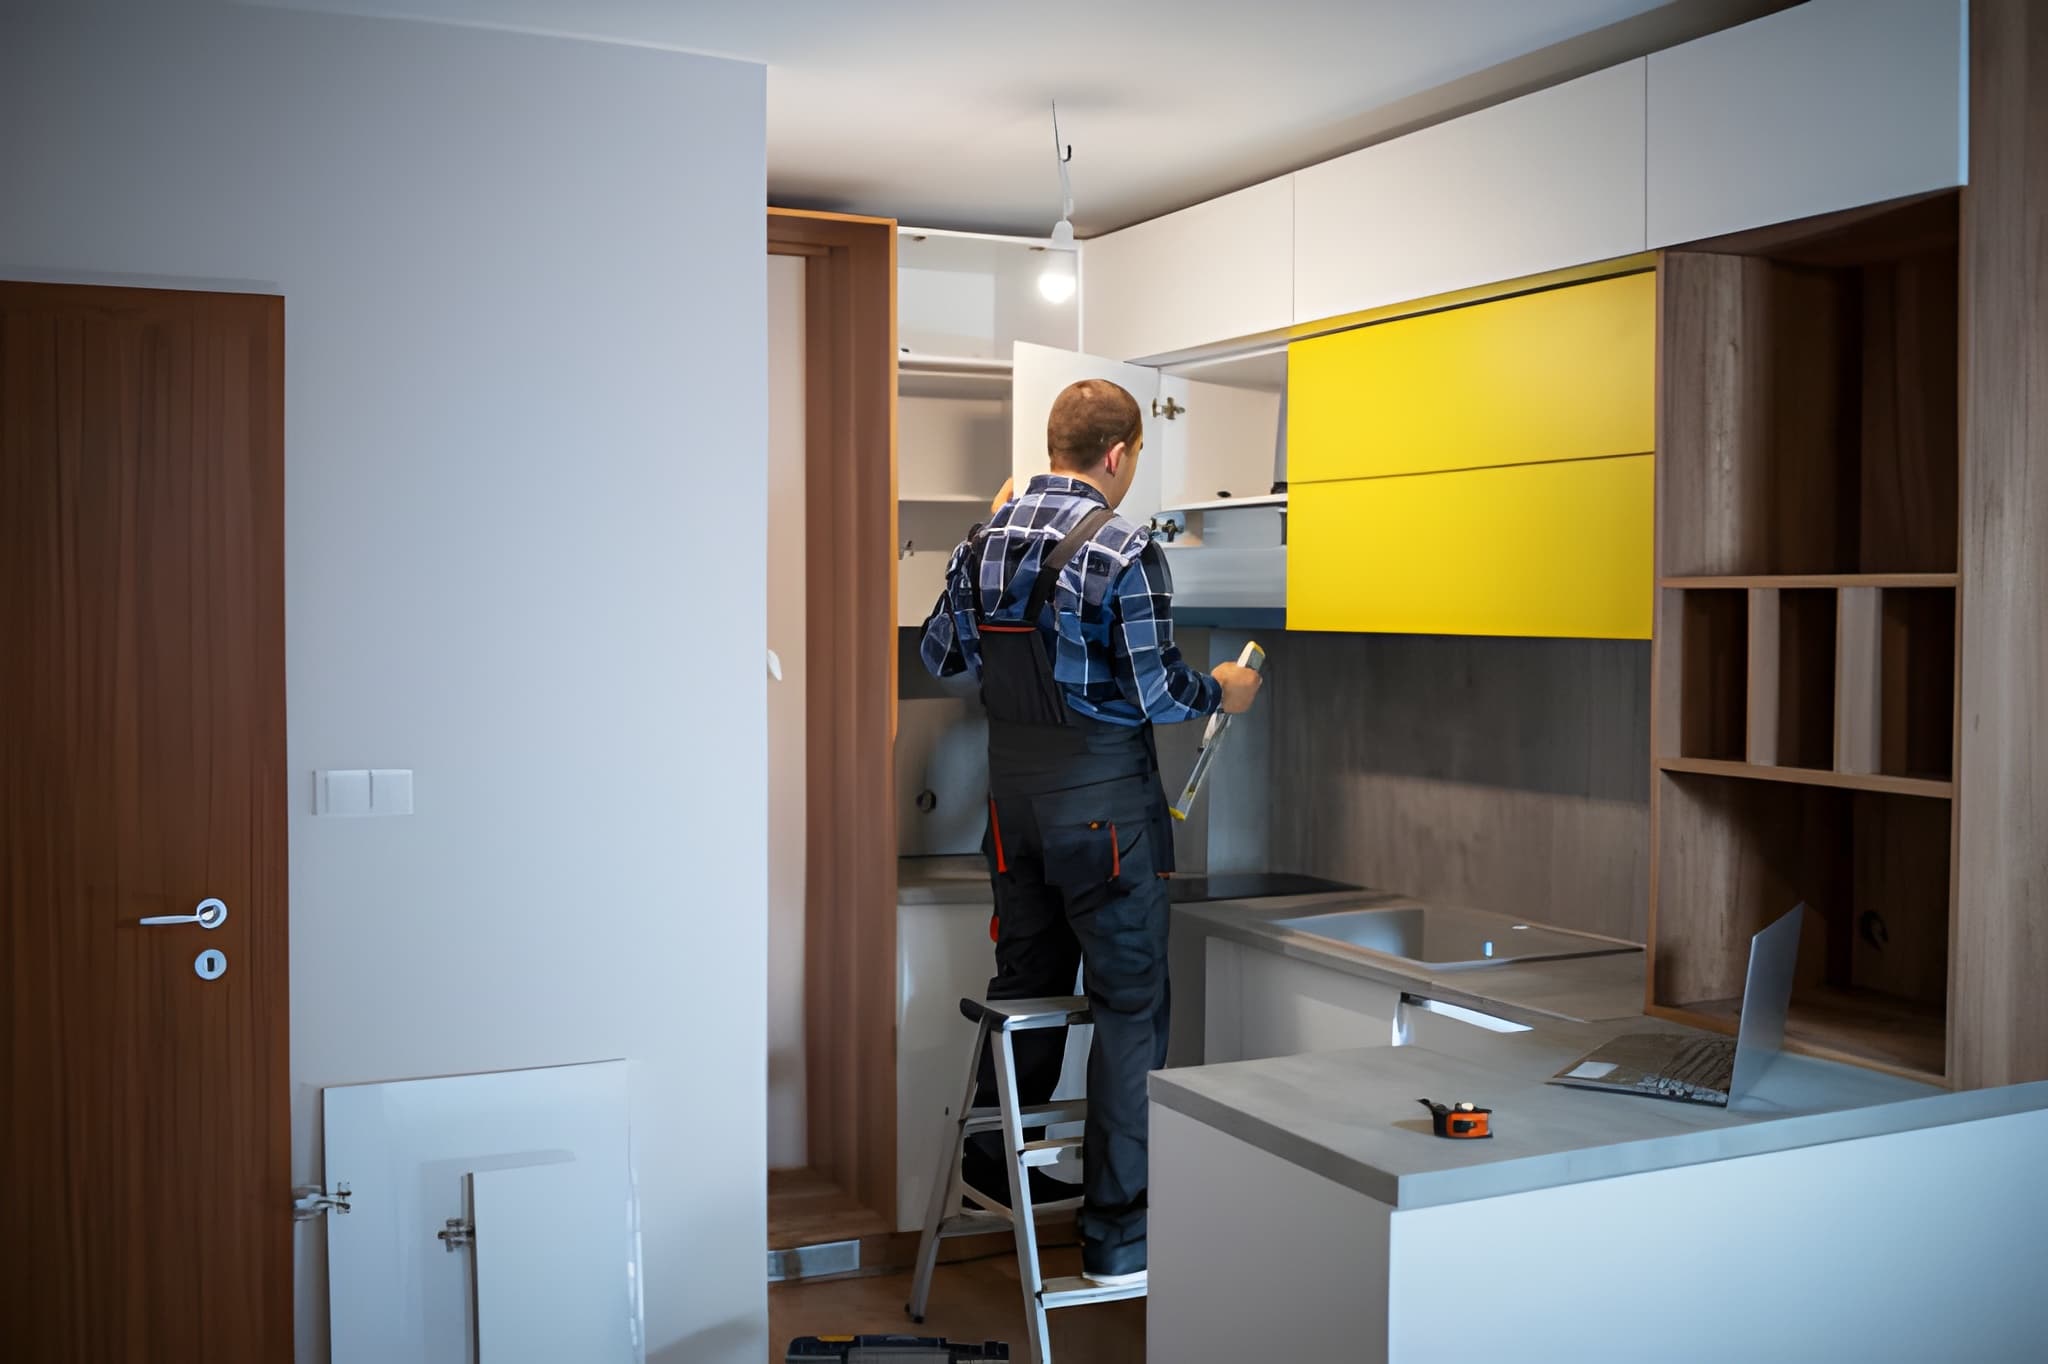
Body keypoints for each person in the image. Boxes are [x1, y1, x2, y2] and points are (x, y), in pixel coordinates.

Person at [919, 378, 1262, 1287]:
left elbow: (941, 655)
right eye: (1137, 455)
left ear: (1055, 446)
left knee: (1025, 986)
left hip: (1014, 816)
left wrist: (981, 545)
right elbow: (1156, 692)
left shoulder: (984, 540)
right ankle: (1118, 1237)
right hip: (1104, 817)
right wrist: (1221, 691)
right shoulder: (1124, 546)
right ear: (1118, 454)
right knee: (1130, 1012)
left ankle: (994, 1169)